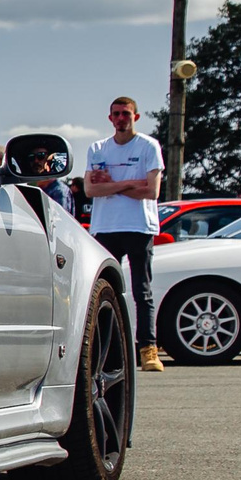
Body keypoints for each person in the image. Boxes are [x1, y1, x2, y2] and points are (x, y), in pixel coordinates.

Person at [86, 96, 167, 371]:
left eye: (126, 114)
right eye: (117, 114)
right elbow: (91, 190)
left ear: (136, 117)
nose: (121, 119)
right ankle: (105, 350)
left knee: (142, 291)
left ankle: (148, 349)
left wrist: (113, 184)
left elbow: (151, 191)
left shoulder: (148, 146)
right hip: (105, 227)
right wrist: (133, 182)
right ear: (110, 118)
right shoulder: (98, 148)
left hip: (138, 226)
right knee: (102, 290)